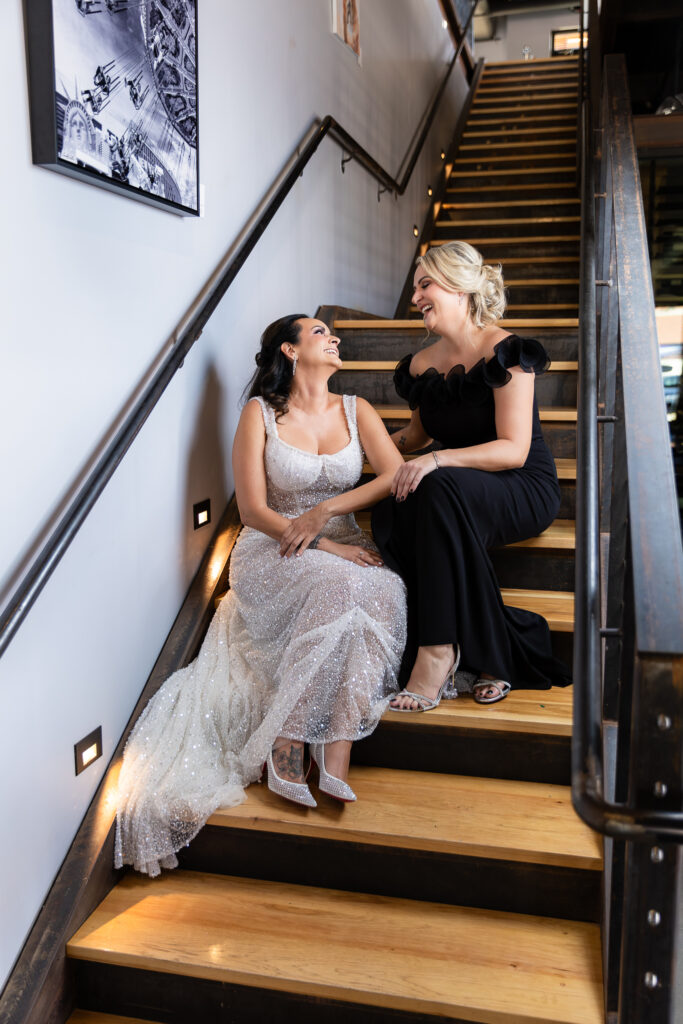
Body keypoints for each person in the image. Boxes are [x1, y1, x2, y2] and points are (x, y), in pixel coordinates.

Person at [115, 315, 406, 876]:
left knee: (385, 587)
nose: (335, 339)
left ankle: (337, 741)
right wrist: (318, 540)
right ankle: (289, 741)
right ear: (290, 350)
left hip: (339, 538)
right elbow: (251, 510)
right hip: (274, 547)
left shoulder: (357, 410)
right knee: (342, 581)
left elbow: (391, 474)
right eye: (321, 333)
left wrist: (328, 515)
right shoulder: (260, 414)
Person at [371, 241, 571, 711]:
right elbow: (418, 437)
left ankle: (437, 651)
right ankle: (498, 648)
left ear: (460, 288)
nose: (415, 297)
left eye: (426, 285)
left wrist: (439, 460)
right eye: (416, 287)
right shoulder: (420, 366)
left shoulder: (506, 351)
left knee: (433, 486)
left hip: (522, 483)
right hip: (457, 488)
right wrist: (354, 444)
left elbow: (514, 449)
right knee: (394, 504)